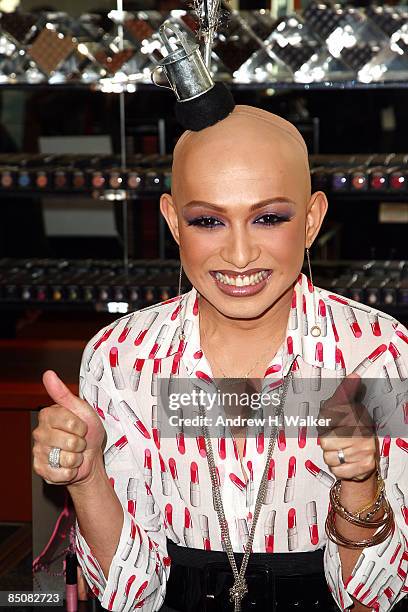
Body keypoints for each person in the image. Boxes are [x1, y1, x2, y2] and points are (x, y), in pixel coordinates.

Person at [32, 105, 408, 612]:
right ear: (172, 221)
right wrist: (87, 477)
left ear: (313, 219)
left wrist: (360, 487)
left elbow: (374, 601)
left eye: (269, 218)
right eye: (208, 220)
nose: (238, 254)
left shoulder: (374, 349)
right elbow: (132, 597)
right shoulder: (123, 356)